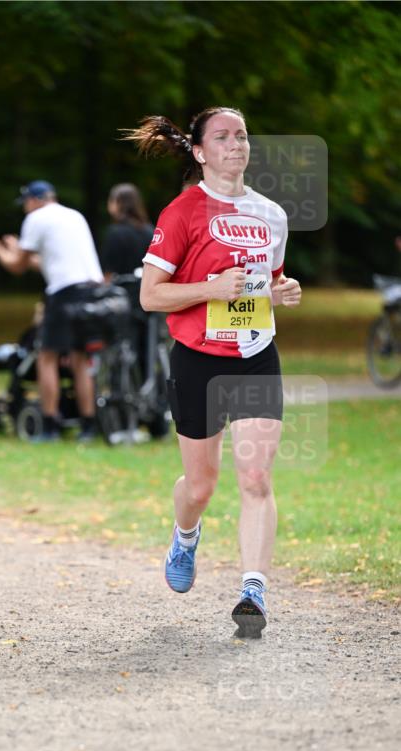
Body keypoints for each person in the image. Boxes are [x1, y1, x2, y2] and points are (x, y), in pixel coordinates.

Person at [126, 108, 301, 636]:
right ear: (200, 152)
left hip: (255, 355)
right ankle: (186, 532)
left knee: (255, 476)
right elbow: (150, 295)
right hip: (198, 358)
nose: (236, 144)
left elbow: (266, 281)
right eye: (222, 137)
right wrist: (209, 289)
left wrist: (282, 291)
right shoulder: (181, 212)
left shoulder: (271, 214)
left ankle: (253, 590)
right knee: (201, 485)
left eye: (242, 135)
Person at [0, 180, 103, 442]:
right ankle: (88, 426)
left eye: (25, 203)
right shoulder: (74, 216)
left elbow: (16, 267)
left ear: (34, 200)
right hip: (92, 292)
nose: (25, 209)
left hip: (64, 294)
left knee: (46, 357)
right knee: (80, 360)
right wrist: (13, 251)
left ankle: (49, 426)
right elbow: (50, 263)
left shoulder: (36, 219)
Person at [101, 183, 154, 280]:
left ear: (118, 203)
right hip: (142, 290)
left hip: (120, 291)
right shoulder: (150, 231)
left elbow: (108, 272)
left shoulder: (115, 232)